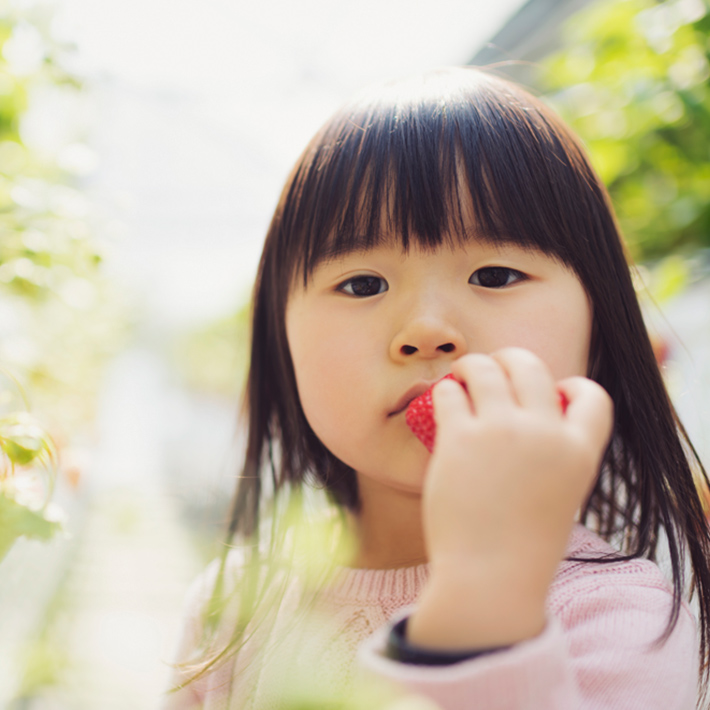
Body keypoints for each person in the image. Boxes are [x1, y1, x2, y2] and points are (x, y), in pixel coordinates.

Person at [162, 67, 710, 709]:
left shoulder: (620, 623)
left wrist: (483, 600)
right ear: (281, 343)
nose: (426, 332)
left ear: (601, 325)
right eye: (363, 284)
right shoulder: (233, 606)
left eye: (496, 274)